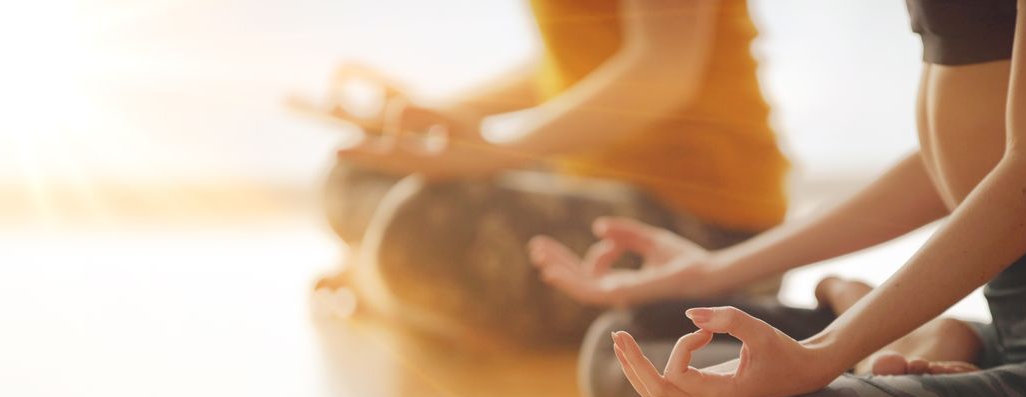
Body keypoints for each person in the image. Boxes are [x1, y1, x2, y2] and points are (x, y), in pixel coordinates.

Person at [534, 0, 1026, 397]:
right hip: (1014, 330)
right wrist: (714, 270)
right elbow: (965, 154)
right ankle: (937, 336)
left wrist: (828, 349)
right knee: (636, 336)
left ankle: (902, 336)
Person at [307, 0, 789, 346]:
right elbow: (569, 67)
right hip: (590, 177)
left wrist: (495, 151)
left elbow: (661, 71)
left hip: (708, 228)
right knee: (355, 170)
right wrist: (429, 116)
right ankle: (398, 284)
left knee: (420, 223)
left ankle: (385, 279)